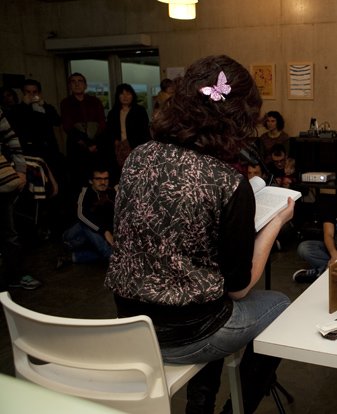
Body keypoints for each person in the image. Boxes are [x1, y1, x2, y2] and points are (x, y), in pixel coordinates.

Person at [104, 55, 294, 414]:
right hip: (187, 335)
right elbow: (239, 286)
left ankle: (200, 405)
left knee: (210, 295)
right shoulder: (227, 182)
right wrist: (273, 225)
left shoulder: (138, 157)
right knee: (278, 305)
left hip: (128, 324)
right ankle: (234, 409)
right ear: (238, 120)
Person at [0, 109, 40, 290]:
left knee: (8, 232)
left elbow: (12, 138)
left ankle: (17, 274)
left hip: (1, 182)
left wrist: (21, 169)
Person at [58, 167, 115, 268]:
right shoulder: (85, 192)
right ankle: (115, 260)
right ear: (90, 181)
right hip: (73, 238)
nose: (103, 182)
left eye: (106, 179)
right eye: (98, 179)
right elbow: (81, 214)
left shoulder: (110, 193)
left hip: (94, 240)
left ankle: (71, 257)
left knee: (110, 249)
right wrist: (105, 231)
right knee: (87, 221)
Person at [60, 72, 107, 188]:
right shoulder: (66, 103)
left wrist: (95, 144)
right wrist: (86, 144)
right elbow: (68, 126)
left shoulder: (95, 101)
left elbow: (102, 123)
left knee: (96, 179)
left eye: (80, 81)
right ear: (69, 85)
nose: (77, 84)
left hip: (96, 146)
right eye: (73, 82)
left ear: (85, 85)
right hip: (77, 147)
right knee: (78, 180)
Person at [5, 79, 62, 164]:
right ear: (23, 92)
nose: (31, 95)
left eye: (34, 92)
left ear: (39, 92)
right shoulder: (17, 109)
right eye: (28, 92)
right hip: (29, 150)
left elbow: (57, 121)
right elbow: (16, 124)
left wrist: (44, 106)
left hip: (49, 149)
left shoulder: (46, 107)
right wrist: (25, 105)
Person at [105, 83, 151, 174]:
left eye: (128, 94)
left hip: (135, 148)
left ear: (133, 96)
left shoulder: (140, 111)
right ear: (118, 96)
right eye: (122, 94)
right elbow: (109, 132)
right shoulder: (113, 113)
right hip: (118, 148)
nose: (125, 96)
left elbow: (145, 131)